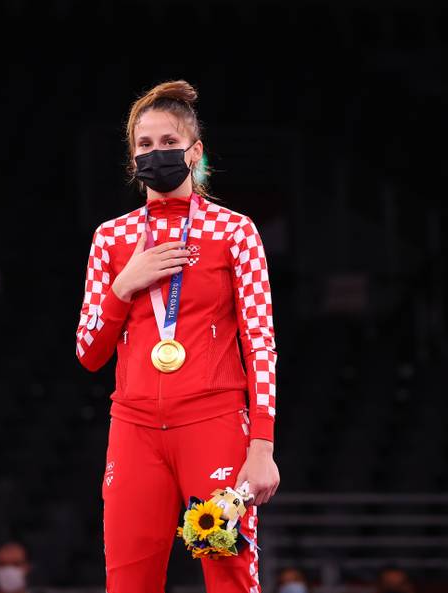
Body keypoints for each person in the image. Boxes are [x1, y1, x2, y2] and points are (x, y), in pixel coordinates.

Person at [75, 79, 280, 592]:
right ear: (131, 157)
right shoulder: (112, 238)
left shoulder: (235, 231)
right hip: (134, 428)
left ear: (195, 151)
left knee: (230, 576)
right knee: (128, 583)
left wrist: (262, 445)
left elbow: (260, 340)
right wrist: (123, 286)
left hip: (213, 424)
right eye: (144, 145)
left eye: (169, 143)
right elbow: (88, 353)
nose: (156, 153)